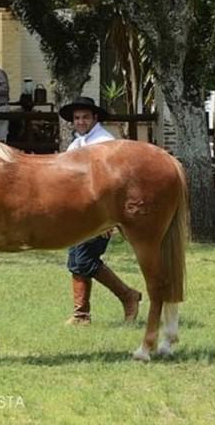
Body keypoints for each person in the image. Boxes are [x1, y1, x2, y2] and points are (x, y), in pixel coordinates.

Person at [60, 96, 142, 325]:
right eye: (77, 118)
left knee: (84, 260)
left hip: (99, 214)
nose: (80, 121)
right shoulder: (76, 144)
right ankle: (81, 315)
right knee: (76, 260)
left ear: (95, 118)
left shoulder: (105, 143)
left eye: (85, 117)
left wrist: (111, 219)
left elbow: (116, 184)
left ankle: (128, 296)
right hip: (79, 213)